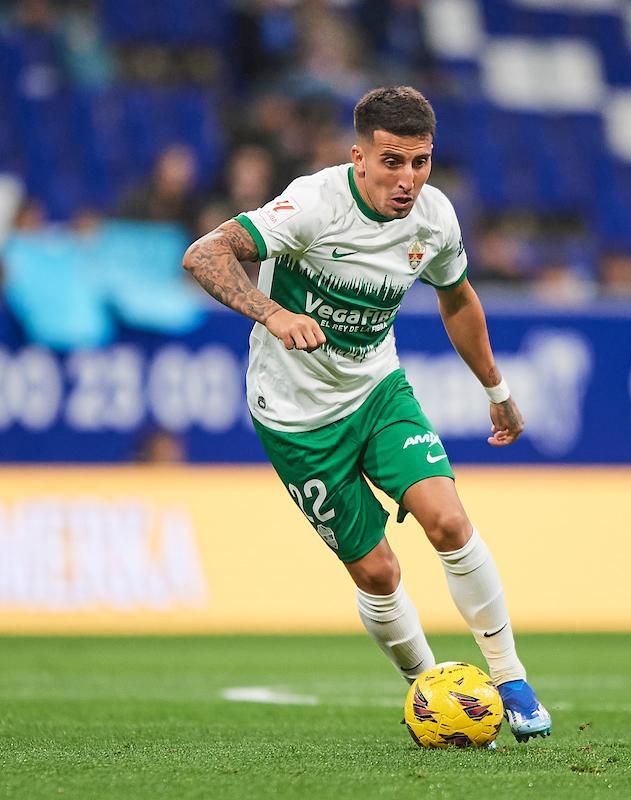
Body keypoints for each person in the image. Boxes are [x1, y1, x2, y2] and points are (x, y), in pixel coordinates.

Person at [181, 87, 552, 742]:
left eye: (420, 162)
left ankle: (512, 678)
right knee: (379, 571)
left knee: (448, 520)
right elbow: (203, 253)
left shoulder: (435, 219)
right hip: (296, 417)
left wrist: (496, 389)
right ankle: (430, 689)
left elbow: (458, 299)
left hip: (377, 390)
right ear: (358, 157)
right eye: (391, 162)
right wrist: (273, 313)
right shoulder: (311, 205)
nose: (407, 180)